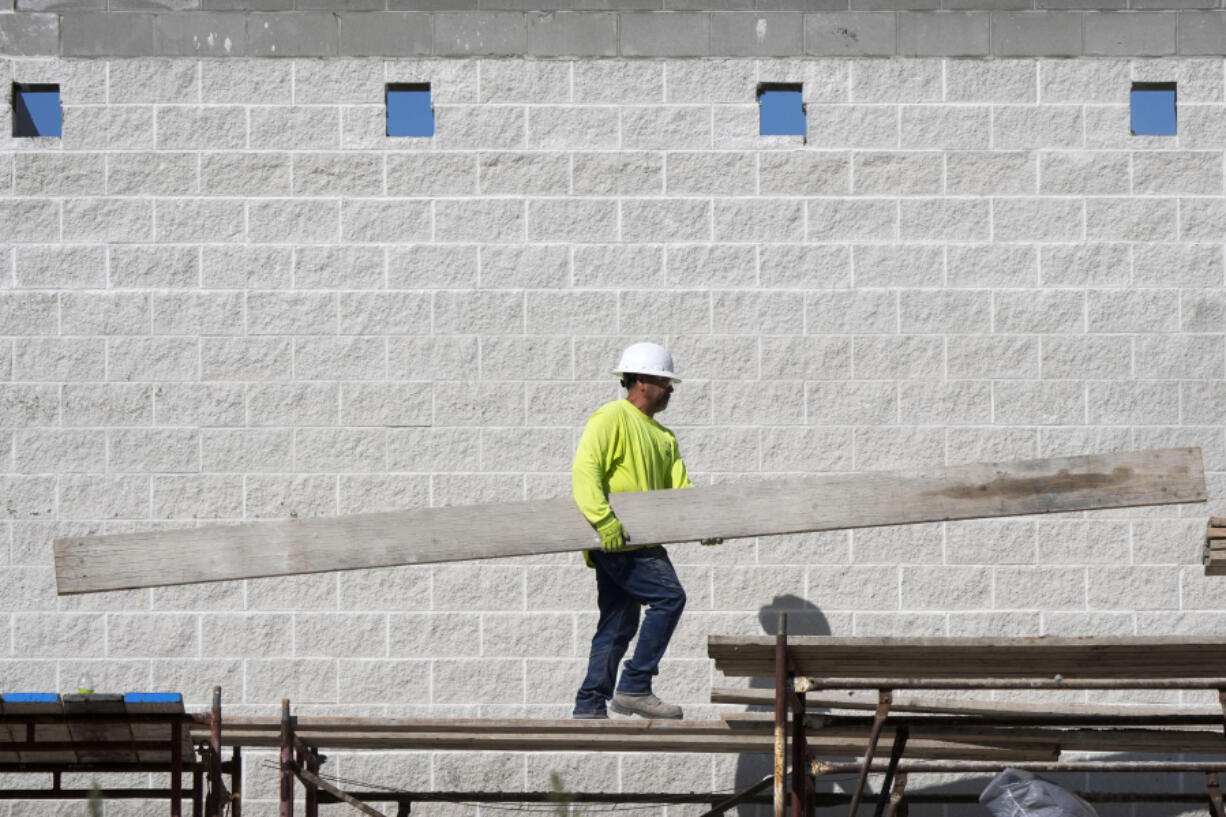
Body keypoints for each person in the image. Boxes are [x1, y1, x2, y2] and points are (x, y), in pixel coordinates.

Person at [571, 342, 720, 720]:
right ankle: (635, 685)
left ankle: (590, 703)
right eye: (663, 381)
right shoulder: (611, 418)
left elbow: (679, 494)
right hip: (621, 540)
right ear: (640, 381)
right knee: (670, 597)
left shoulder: (664, 438)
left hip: (632, 541)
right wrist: (604, 520)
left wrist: (706, 522)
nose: (670, 389)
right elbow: (585, 472)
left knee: (618, 624)